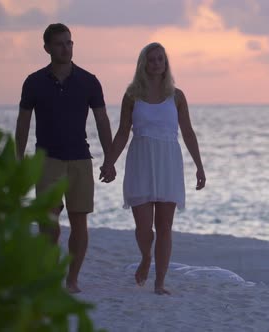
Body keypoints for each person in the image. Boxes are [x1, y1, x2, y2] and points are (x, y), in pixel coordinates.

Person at [15, 23, 115, 294]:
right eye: (60, 43)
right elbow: (23, 122)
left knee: (79, 220)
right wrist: (18, 157)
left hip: (80, 159)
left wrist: (110, 159)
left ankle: (72, 279)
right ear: (47, 48)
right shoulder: (34, 82)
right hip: (47, 159)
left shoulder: (88, 80)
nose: (66, 48)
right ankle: (50, 273)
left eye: (69, 42)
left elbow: (102, 120)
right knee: (49, 222)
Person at [101, 42, 205, 295]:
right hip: (141, 161)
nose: (157, 63)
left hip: (168, 161)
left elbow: (188, 132)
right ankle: (146, 257)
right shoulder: (132, 95)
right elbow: (123, 132)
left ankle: (159, 282)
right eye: (152, 59)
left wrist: (199, 167)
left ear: (165, 63)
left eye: (161, 59)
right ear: (143, 64)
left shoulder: (176, 96)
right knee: (144, 227)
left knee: (165, 226)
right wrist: (110, 161)